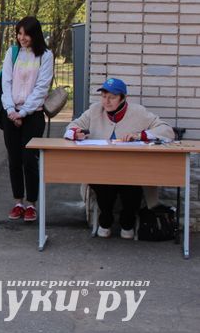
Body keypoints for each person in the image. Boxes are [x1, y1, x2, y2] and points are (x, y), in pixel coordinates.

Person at [65, 78, 175, 239]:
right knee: (102, 187)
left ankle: (127, 222)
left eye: (112, 97)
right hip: (101, 168)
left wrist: (141, 136)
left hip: (132, 169)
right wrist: (76, 133)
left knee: (132, 188)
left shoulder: (138, 112)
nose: (106, 101)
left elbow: (166, 130)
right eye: (103, 96)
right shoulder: (95, 110)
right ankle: (105, 219)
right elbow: (71, 127)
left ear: (123, 98)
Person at [1, 16, 54, 223]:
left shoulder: (45, 55)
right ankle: (18, 202)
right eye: (19, 33)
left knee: (29, 159)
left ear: (35, 34)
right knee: (14, 159)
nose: (22, 38)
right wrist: (10, 110)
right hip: (10, 113)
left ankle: (32, 203)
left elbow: (42, 87)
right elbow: (6, 82)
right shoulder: (12, 53)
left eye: (26, 34)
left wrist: (23, 113)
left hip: (33, 115)